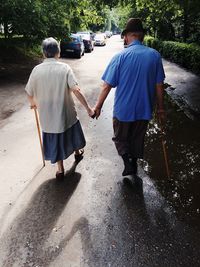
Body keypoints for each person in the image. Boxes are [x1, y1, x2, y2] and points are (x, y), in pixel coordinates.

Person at [93, 18, 166, 176]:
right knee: (137, 138)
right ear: (141, 36)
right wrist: (161, 109)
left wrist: (98, 106)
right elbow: (159, 85)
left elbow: (107, 85)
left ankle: (127, 162)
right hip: (144, 109)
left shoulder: (120, 57)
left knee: (120, 138)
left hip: (123, 111)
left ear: (128, 36)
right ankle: (133, 161)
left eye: (124, 36)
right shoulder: (154, 56)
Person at [25, 37, 94, 179]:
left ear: (44, 53)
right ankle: (77, 153)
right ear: (58, 52)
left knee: (55, 139)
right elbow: (76, 90)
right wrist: (88, 108)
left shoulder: (36, 70)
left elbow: (29, 92)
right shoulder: (64, 68)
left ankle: (60, 169)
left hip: (48, 117)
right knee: (71, 132)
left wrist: (33, 103)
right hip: (66, 113)